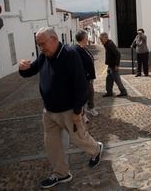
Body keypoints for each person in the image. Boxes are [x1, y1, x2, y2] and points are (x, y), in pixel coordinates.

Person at [18, 27, 103, 189]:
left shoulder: (70, 55)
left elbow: (81, 85)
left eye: (43, 44)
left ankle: (96, 150)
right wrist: (23, 68)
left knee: (79, 139)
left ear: (54, 39)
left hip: (69, 110)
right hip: (49, 111)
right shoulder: (44, 55)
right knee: (51, 144)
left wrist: (78, 111)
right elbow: (31, 70)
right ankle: (61, 173)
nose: (41, 48)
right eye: (39, 45)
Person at [75, 29, 98, 117]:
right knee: (84, 95)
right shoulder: (77, 49)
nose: (88, 38)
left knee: (90, 93)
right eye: (86, 37)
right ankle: (82, 113)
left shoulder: (83, 48)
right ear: (82, 38)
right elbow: (79, 65)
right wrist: (86, 74)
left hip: (89, 77)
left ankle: (90, 108)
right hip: (84, 77)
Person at [99, 32, 128, 97]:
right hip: (110, 65)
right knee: (109, 79)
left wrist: (117, 65)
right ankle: (109, 92)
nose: (100, 41)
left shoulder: (110, 44)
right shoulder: (106, 44)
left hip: (113, 65)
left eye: (101, 39)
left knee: (117, 79)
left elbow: (118, 54)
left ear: (105, 38)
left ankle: (123, 91)